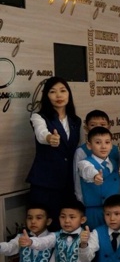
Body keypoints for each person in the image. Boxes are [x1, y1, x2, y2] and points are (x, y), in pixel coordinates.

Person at [26, 77, 82, 224]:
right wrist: (50, 138)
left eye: (63, 91)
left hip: (68, 182)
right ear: (46, 96)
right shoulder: (38, 117)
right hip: (45, 183)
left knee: (66, 225)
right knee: (43, 226)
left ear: (69, 94)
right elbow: (41, 133)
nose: (58, 95)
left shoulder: (75, 120)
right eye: (52, 92)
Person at [76, 126, 120, 229]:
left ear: (111, 145)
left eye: (107, 142)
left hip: (115, 212)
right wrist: (95, 175)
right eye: (98, 142)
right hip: (93, 213)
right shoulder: (84, 163)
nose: (103, 146)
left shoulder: (115, 163)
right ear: (89, 145)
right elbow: (87, 170)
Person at [73, 110, 120, 205]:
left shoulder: (115, 150)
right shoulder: (81, 151)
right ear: (86, 127)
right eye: (93, 125)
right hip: (92, 202)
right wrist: (80, 200)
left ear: (109, 126)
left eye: (102, 125)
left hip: (113, 203)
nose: (98, 127)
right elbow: (79, 175)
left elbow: (118, 177)